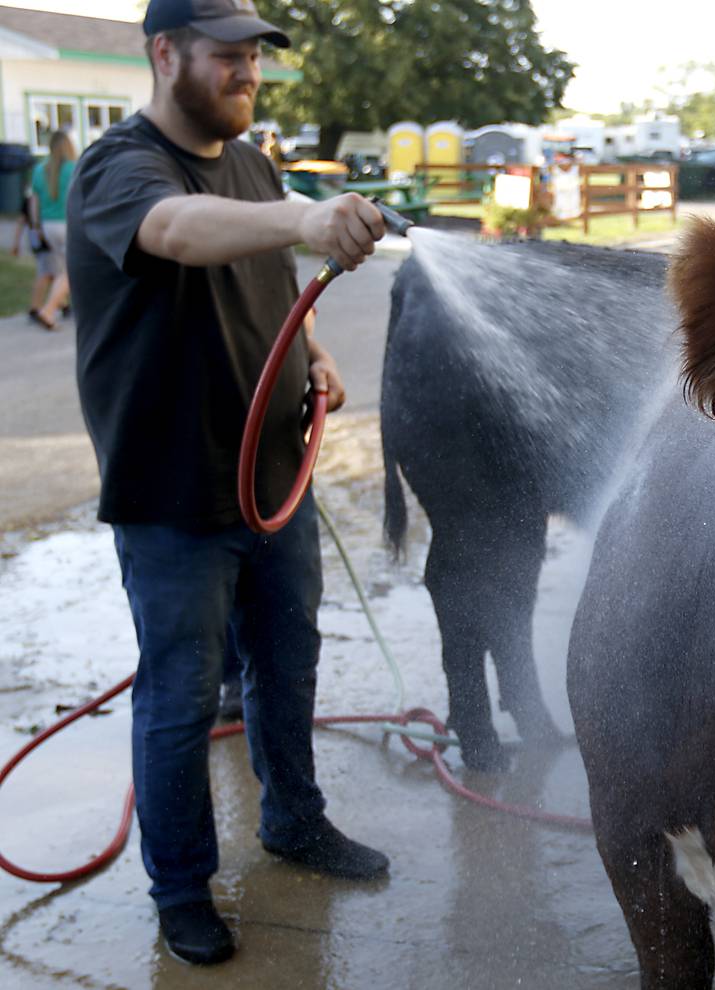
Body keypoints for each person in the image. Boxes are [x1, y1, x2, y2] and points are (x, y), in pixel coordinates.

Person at [66, 0, 390, 967]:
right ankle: (181, 890)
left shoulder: (250, 159)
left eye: (254, 56)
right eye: (226, 56)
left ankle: (294, 819)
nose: (247, 72)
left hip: (271, 477)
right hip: (174, 491)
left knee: (286, 664)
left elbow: (267, 278)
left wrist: (316, 352)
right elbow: (177, 230)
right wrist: (304, 214)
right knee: (181, 696)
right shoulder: (120, 168)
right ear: (166, 55)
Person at [10, 129, 76, 329]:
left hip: (47, 225)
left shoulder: (39, 170)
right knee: (70, 271)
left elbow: (34, 202)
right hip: (68, 224)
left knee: (60, 269)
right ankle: (48, 310)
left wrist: (36, 226)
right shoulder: (74, 168)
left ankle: (63, 305)